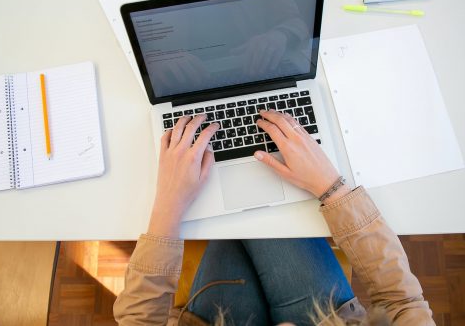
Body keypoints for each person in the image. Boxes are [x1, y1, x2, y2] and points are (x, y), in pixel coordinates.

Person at [113, 110, 435, 325]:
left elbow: (137, 319)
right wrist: (331, 187)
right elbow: (403, 301)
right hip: (327, 318)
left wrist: (168, 203)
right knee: (259, 212)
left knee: (240, 221)